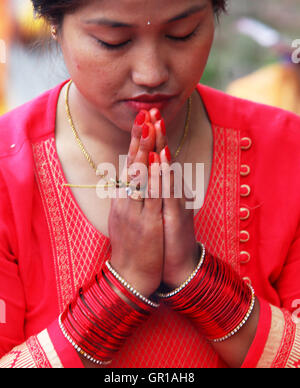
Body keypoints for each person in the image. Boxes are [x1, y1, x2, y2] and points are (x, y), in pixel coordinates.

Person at [0, 0, 300, 369]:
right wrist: (122, 286)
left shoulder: (288, 153)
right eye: (113, 41)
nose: (151, 73)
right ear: (54, 25)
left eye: (182, 33)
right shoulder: (7, 173)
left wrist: (198, 280)